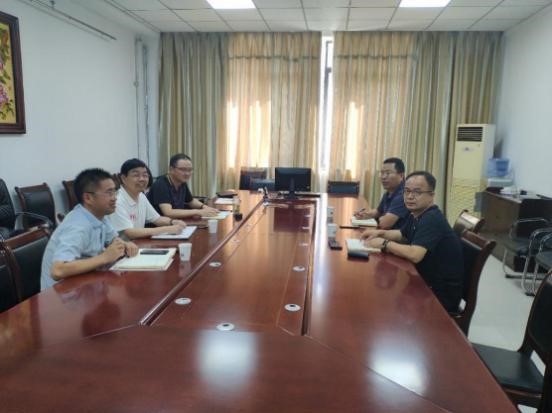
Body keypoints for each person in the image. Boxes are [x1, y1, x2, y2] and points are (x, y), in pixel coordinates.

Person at [360, 171, 463, 312]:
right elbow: (401, 234)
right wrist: (380, 233)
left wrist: (384, 244)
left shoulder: (431, 218)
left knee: (383, 303)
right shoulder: (417, 213)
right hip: (424, 279)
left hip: (439, 294)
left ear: (431, 196)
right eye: (407, 191)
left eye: (417, 192)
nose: (410, 196)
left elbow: (415, 254)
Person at [40, 168, 139, 290]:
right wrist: (104, 257)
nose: (114, 198)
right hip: (61, 294)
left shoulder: (99, 215)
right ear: (88, 198)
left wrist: (125, 244)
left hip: (85, 284)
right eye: (109, 193)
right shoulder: (77, 226)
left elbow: (113, 239)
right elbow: (58, 270)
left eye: (115, 192)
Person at [108, 158, 186, 240]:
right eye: (136, 175)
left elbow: (157, 219)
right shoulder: (116, 201)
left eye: (145, 175)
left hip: (138, 243)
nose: (142, 179)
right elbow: (129, 233)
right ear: (123, 178)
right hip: (124, 246)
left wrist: (172, 222)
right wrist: (166, 229)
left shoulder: (141, 196)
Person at [147, 153, 218, 219]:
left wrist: (204, 207)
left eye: (190, 170)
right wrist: (198, 212)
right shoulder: (161, 184)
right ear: (171, 169)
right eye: (183, 169)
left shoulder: (181, 182)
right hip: (159, 225)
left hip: (176, 222)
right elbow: (168, 212)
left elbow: (191, 201)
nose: (187, 173)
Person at [354, 157, 409, 230]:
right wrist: (364, 215)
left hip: (396, 236)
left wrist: (381, 218)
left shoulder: (403, 195)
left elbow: (385, 224)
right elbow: (378, 211)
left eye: (388, 173)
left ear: (401, 176)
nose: (383, 177)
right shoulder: (389, 192)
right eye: (382, 173)